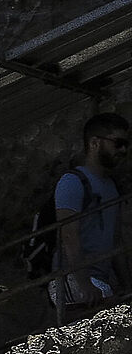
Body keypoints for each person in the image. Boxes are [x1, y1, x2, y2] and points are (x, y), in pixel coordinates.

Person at [54, 112, 127, 324]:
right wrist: (84, 284)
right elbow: (69, 235)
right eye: (118, 143)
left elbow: (115, 241)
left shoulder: (111, 186)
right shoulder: (72, 182)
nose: (123, 150)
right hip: (74, 281)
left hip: (99, 280)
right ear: (95, 143)